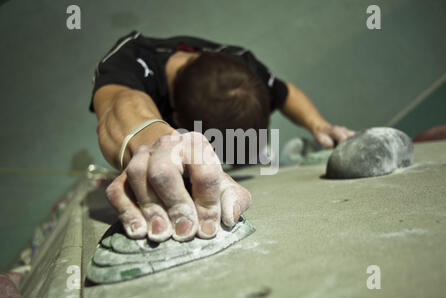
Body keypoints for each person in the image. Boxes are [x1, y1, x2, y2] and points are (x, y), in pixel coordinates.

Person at [90, 31, 354, 243]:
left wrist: (319, 125)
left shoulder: (245, 65)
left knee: (254, 156)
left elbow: (285, 93)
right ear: (179, 121)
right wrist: (156, 143)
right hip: (162, 130)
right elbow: (119, 103)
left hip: (231, 139)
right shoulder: (128, 59)